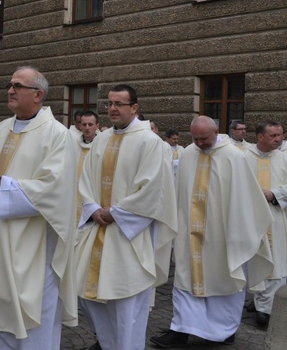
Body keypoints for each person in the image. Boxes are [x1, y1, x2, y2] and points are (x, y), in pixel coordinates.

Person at [0, 66, 78, 348]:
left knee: (31, 320)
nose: (10, 89)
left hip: (31, 246)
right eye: (10, 84)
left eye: (18, 86)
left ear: (38, 95)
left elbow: (55, 188)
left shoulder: (57, 135)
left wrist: (4, 186)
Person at [151, 116, 273, 348]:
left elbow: (246, 199)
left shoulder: (234, 157)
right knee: (185, 280)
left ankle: (225, 330)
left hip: (222, 235)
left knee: (225, 281)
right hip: (190, 232)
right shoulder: (188, 154)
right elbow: (178, 191)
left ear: (217, 131)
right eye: (195, 139)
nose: (200, 143)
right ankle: (180, 331)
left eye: (204, 138)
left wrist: (238, 232)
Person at [76, 84, 177, 350]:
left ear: (134, 107)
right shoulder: (101, 138)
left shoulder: (149, 141)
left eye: (119, 104)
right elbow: (85, 179)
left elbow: (153, 189)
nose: (112, 109)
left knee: (127, 306)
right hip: (98, 229)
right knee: (92, 299)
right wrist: (92, 208)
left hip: (129, 235)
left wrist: (116, 212)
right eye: (109, 103)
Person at [244, 121, 287, 326]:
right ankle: (258, 299)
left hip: (277, 218)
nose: (278, 139)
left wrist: (275, 194)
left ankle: (267, 308)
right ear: (260, 137)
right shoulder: (244, 156)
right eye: (273, 136)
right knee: (252, 259)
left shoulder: (285, 157)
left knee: (277, 262)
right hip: (250, 218)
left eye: (280, 135)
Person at [70, 110, 99, 224]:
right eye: (84, 124)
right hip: (73, 194)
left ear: (97, 126)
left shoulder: (101, 145)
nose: (87, 128)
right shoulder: (72, 143)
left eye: (90, 124)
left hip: (92, 195)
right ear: (79, 126)